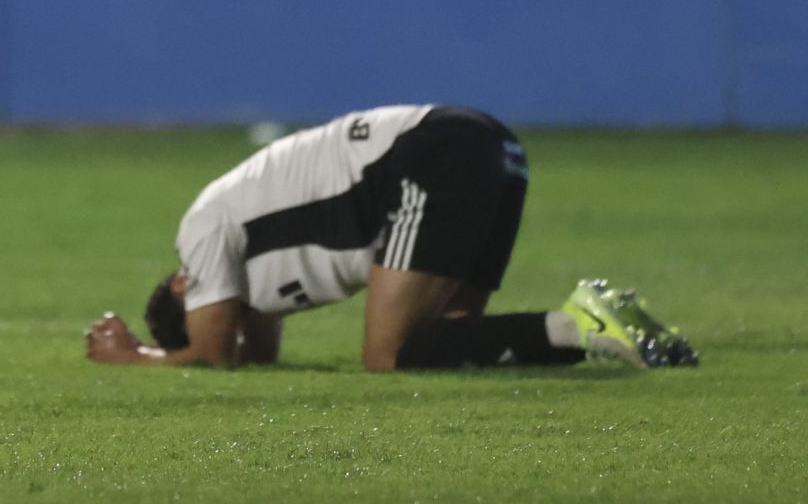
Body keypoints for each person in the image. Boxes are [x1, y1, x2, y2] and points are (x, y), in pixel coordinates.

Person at [84, 106, 698, 371]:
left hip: (425, 155)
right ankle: (617, 330)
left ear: (184, 286)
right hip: (485, 148)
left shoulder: (201, 230)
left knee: (388, 355)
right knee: (448, 345)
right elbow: (250, 354)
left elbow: (212, 354)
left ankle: (581, 325)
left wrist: (133, 356)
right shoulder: (257, 291)